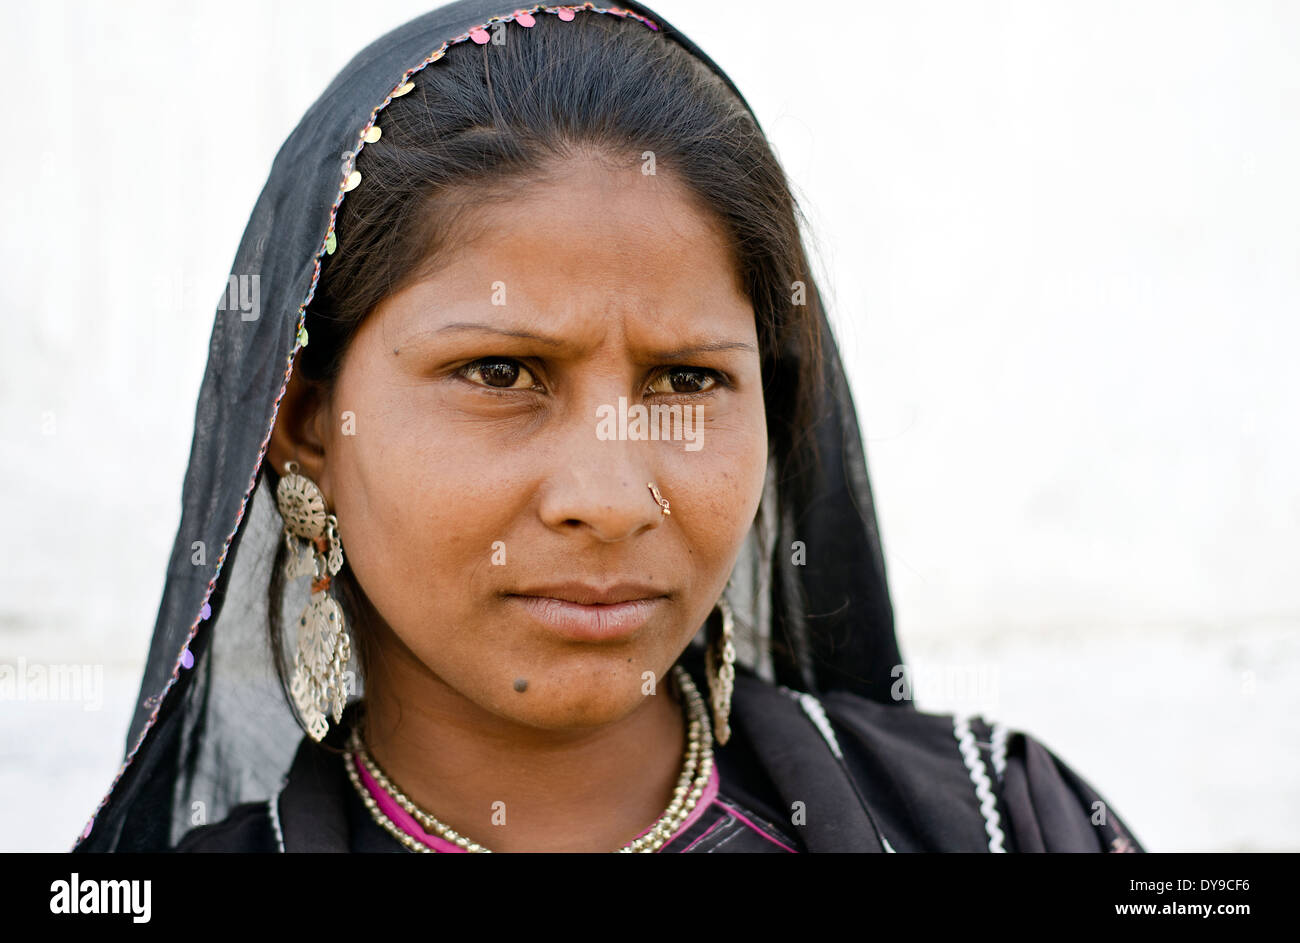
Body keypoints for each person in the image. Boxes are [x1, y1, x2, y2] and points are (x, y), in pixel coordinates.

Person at [72, 0, 1143, 854]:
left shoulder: (1009, 825)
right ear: (305, 419)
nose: (612, 496)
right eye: (500, 371)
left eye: (685, 380)